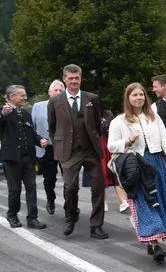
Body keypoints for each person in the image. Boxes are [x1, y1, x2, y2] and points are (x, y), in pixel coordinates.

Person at [108, 83, 166, 262]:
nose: (139, 98)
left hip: (157, 162)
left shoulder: (153, 117)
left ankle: (155, 239)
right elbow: (111, 146)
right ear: (128, 98)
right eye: (135, 95)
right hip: (136, 165)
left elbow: (165, 139)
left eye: (141, 95)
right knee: (145, 202)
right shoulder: (119, 121)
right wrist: (128, 140)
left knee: (160, 200)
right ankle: (153, 243)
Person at [47, 64, 107, 239]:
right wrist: (61, 143)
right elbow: (52, 127)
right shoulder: (55, 101)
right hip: (69, 152)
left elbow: (96, 122)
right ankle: (71, 216)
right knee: (70, 187)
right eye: (70, 78)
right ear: (64, 79)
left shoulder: (92, 98)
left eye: (77, 78)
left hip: (90, 150)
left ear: (81, 78)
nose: (74, 81)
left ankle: (96, 225)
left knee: (98, 187)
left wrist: (94, 140)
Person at [1, 85, 48, 229]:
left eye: (25, 95)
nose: (25, 98)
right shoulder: (4, 113)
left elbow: (31, 133)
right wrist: (3, 114)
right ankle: (12, 215)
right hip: (12, 158)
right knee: (14, 190)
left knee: (31, 187)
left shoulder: (26, 114)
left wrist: (40, 140)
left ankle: (32, 218)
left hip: (28, 158)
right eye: (22, 95)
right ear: (12, 96)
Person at [31, 79, 64, 215]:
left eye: (61, 90)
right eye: (56, 90)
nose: (59, 92)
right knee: (49, 178)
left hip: (64, 147)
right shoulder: (38, 106)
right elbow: (32, 128)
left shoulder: (69, 105)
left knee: (70, 178)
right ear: (49, 92)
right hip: (46, 148)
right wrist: (38, 141)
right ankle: (50, 199)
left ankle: (71, 203)